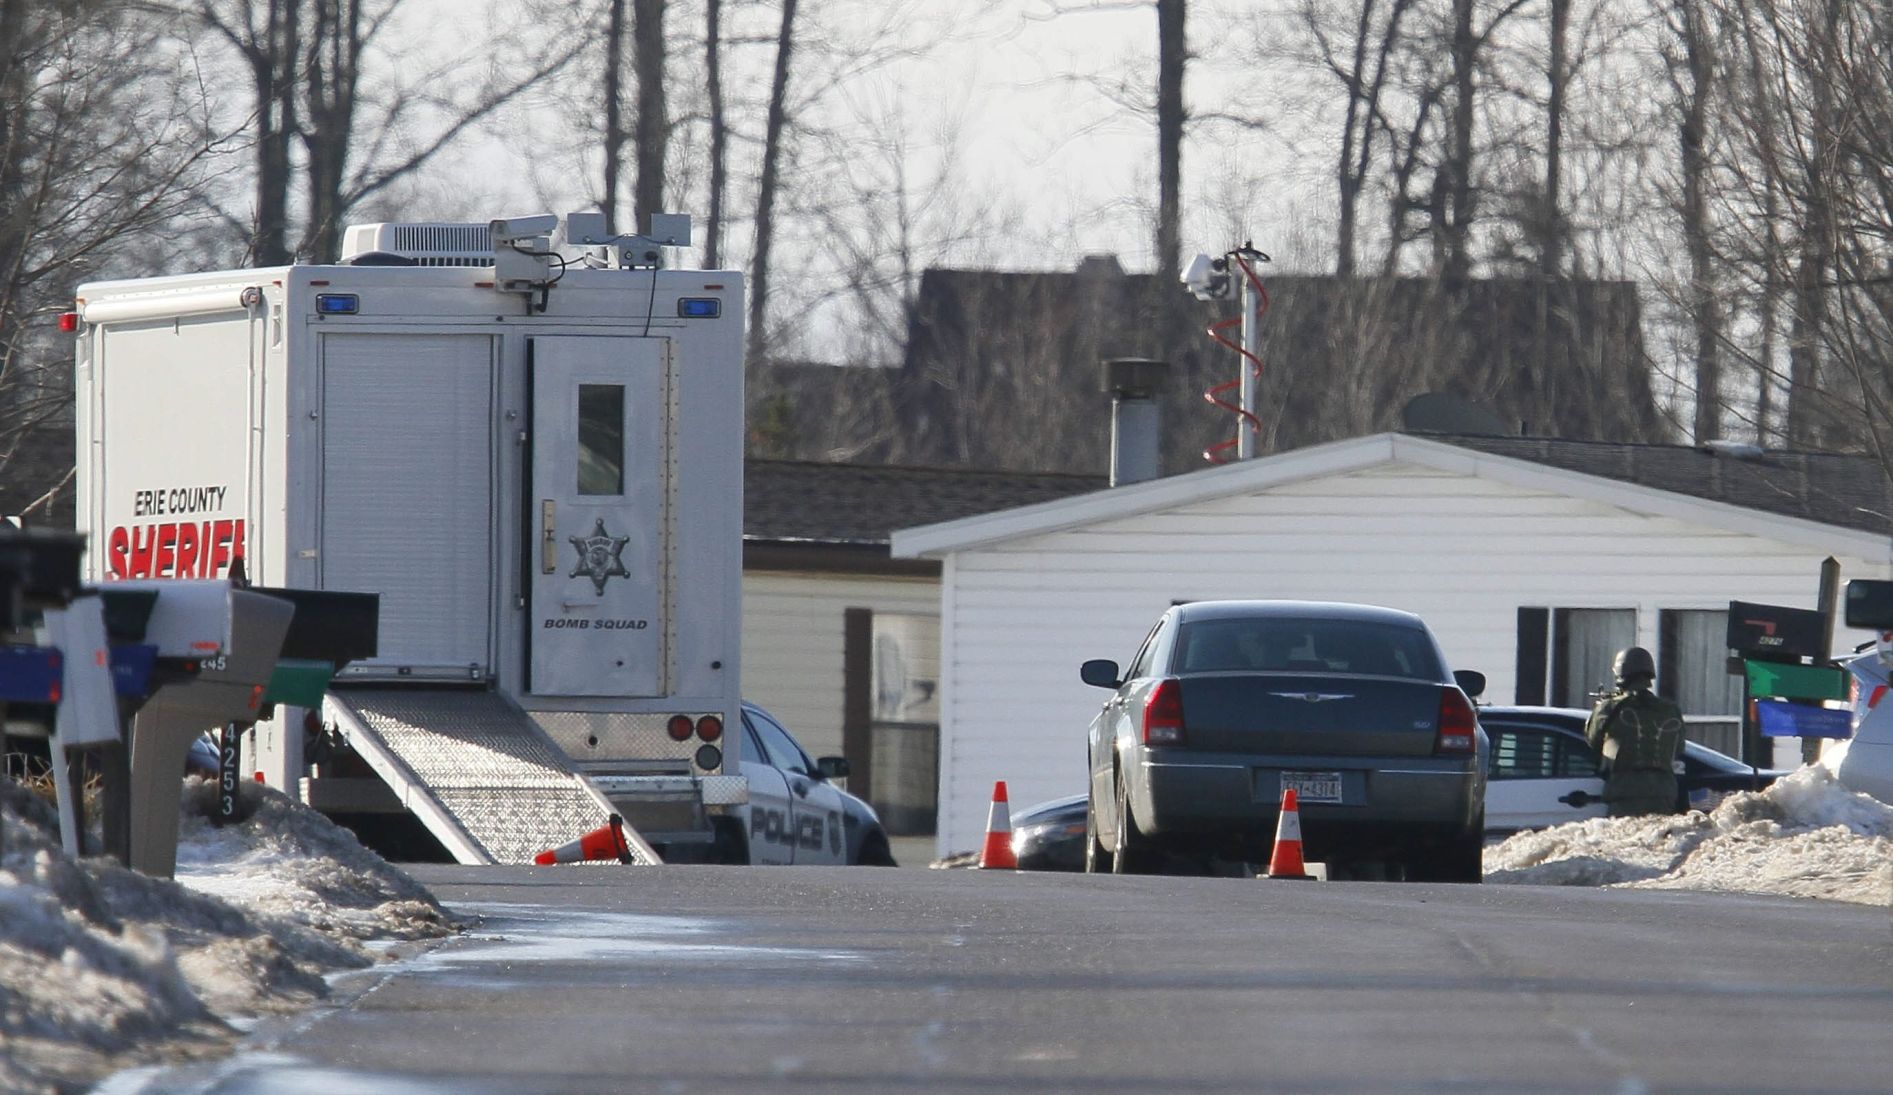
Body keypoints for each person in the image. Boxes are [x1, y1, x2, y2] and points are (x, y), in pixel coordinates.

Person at [1584, 646, 1685, 816]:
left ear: (1620, 673)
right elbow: (1678, 748)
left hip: (1625, 793)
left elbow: (1592, 740)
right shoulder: (1670, 709)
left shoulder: (1610, 708)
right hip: (1663, 793)